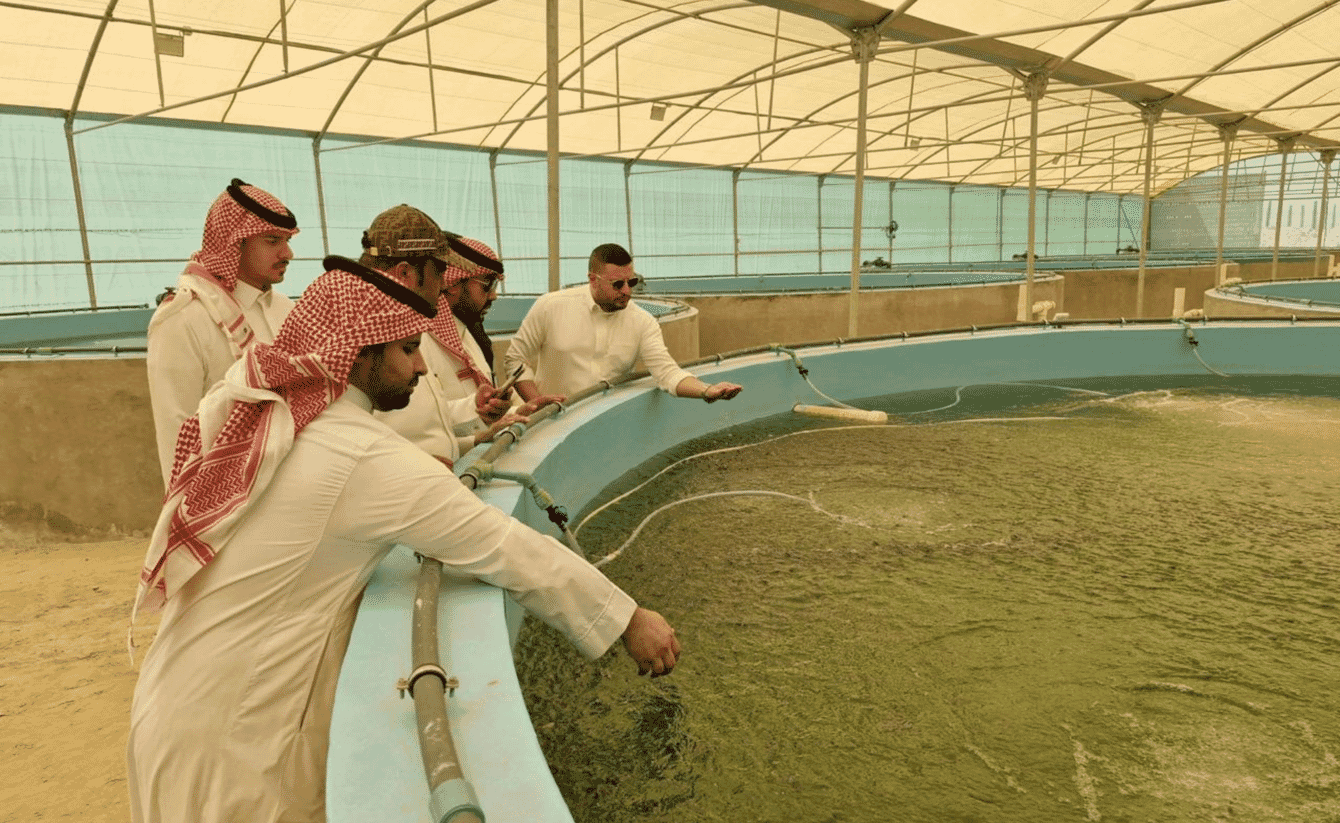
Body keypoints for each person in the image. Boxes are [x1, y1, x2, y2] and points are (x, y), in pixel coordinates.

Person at [126, 246, 680, 823]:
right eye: (408, 349)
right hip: (230, 740)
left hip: (174, 703)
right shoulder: (358, 454)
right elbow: (504, 547)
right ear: (360, 354)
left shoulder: (285, 417)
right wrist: (627, 619)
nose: (420, 367)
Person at [146, 178, 299, 485]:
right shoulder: (184, 319)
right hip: (225, 496)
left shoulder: (286, 309)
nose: (287, 254)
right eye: (272, 241)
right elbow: (177, 432)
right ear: (235, 242)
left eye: (288, 240)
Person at [377, 233, 562, 463]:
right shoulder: (413, 340)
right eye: (487, 285)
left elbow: (439, 420)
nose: (494, 295)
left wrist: (516, 412)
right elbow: (416, 429)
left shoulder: (468, 335)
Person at [505, 242, 743, 404]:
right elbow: (515, 359)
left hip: (602, 418)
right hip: (551, 421)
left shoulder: (643, 322)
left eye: (632, 282)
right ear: (592, 280)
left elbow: (666, 372)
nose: (627, 291)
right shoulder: (550, 306)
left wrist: (706, 390)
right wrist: (537, 403)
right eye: (617, 284)